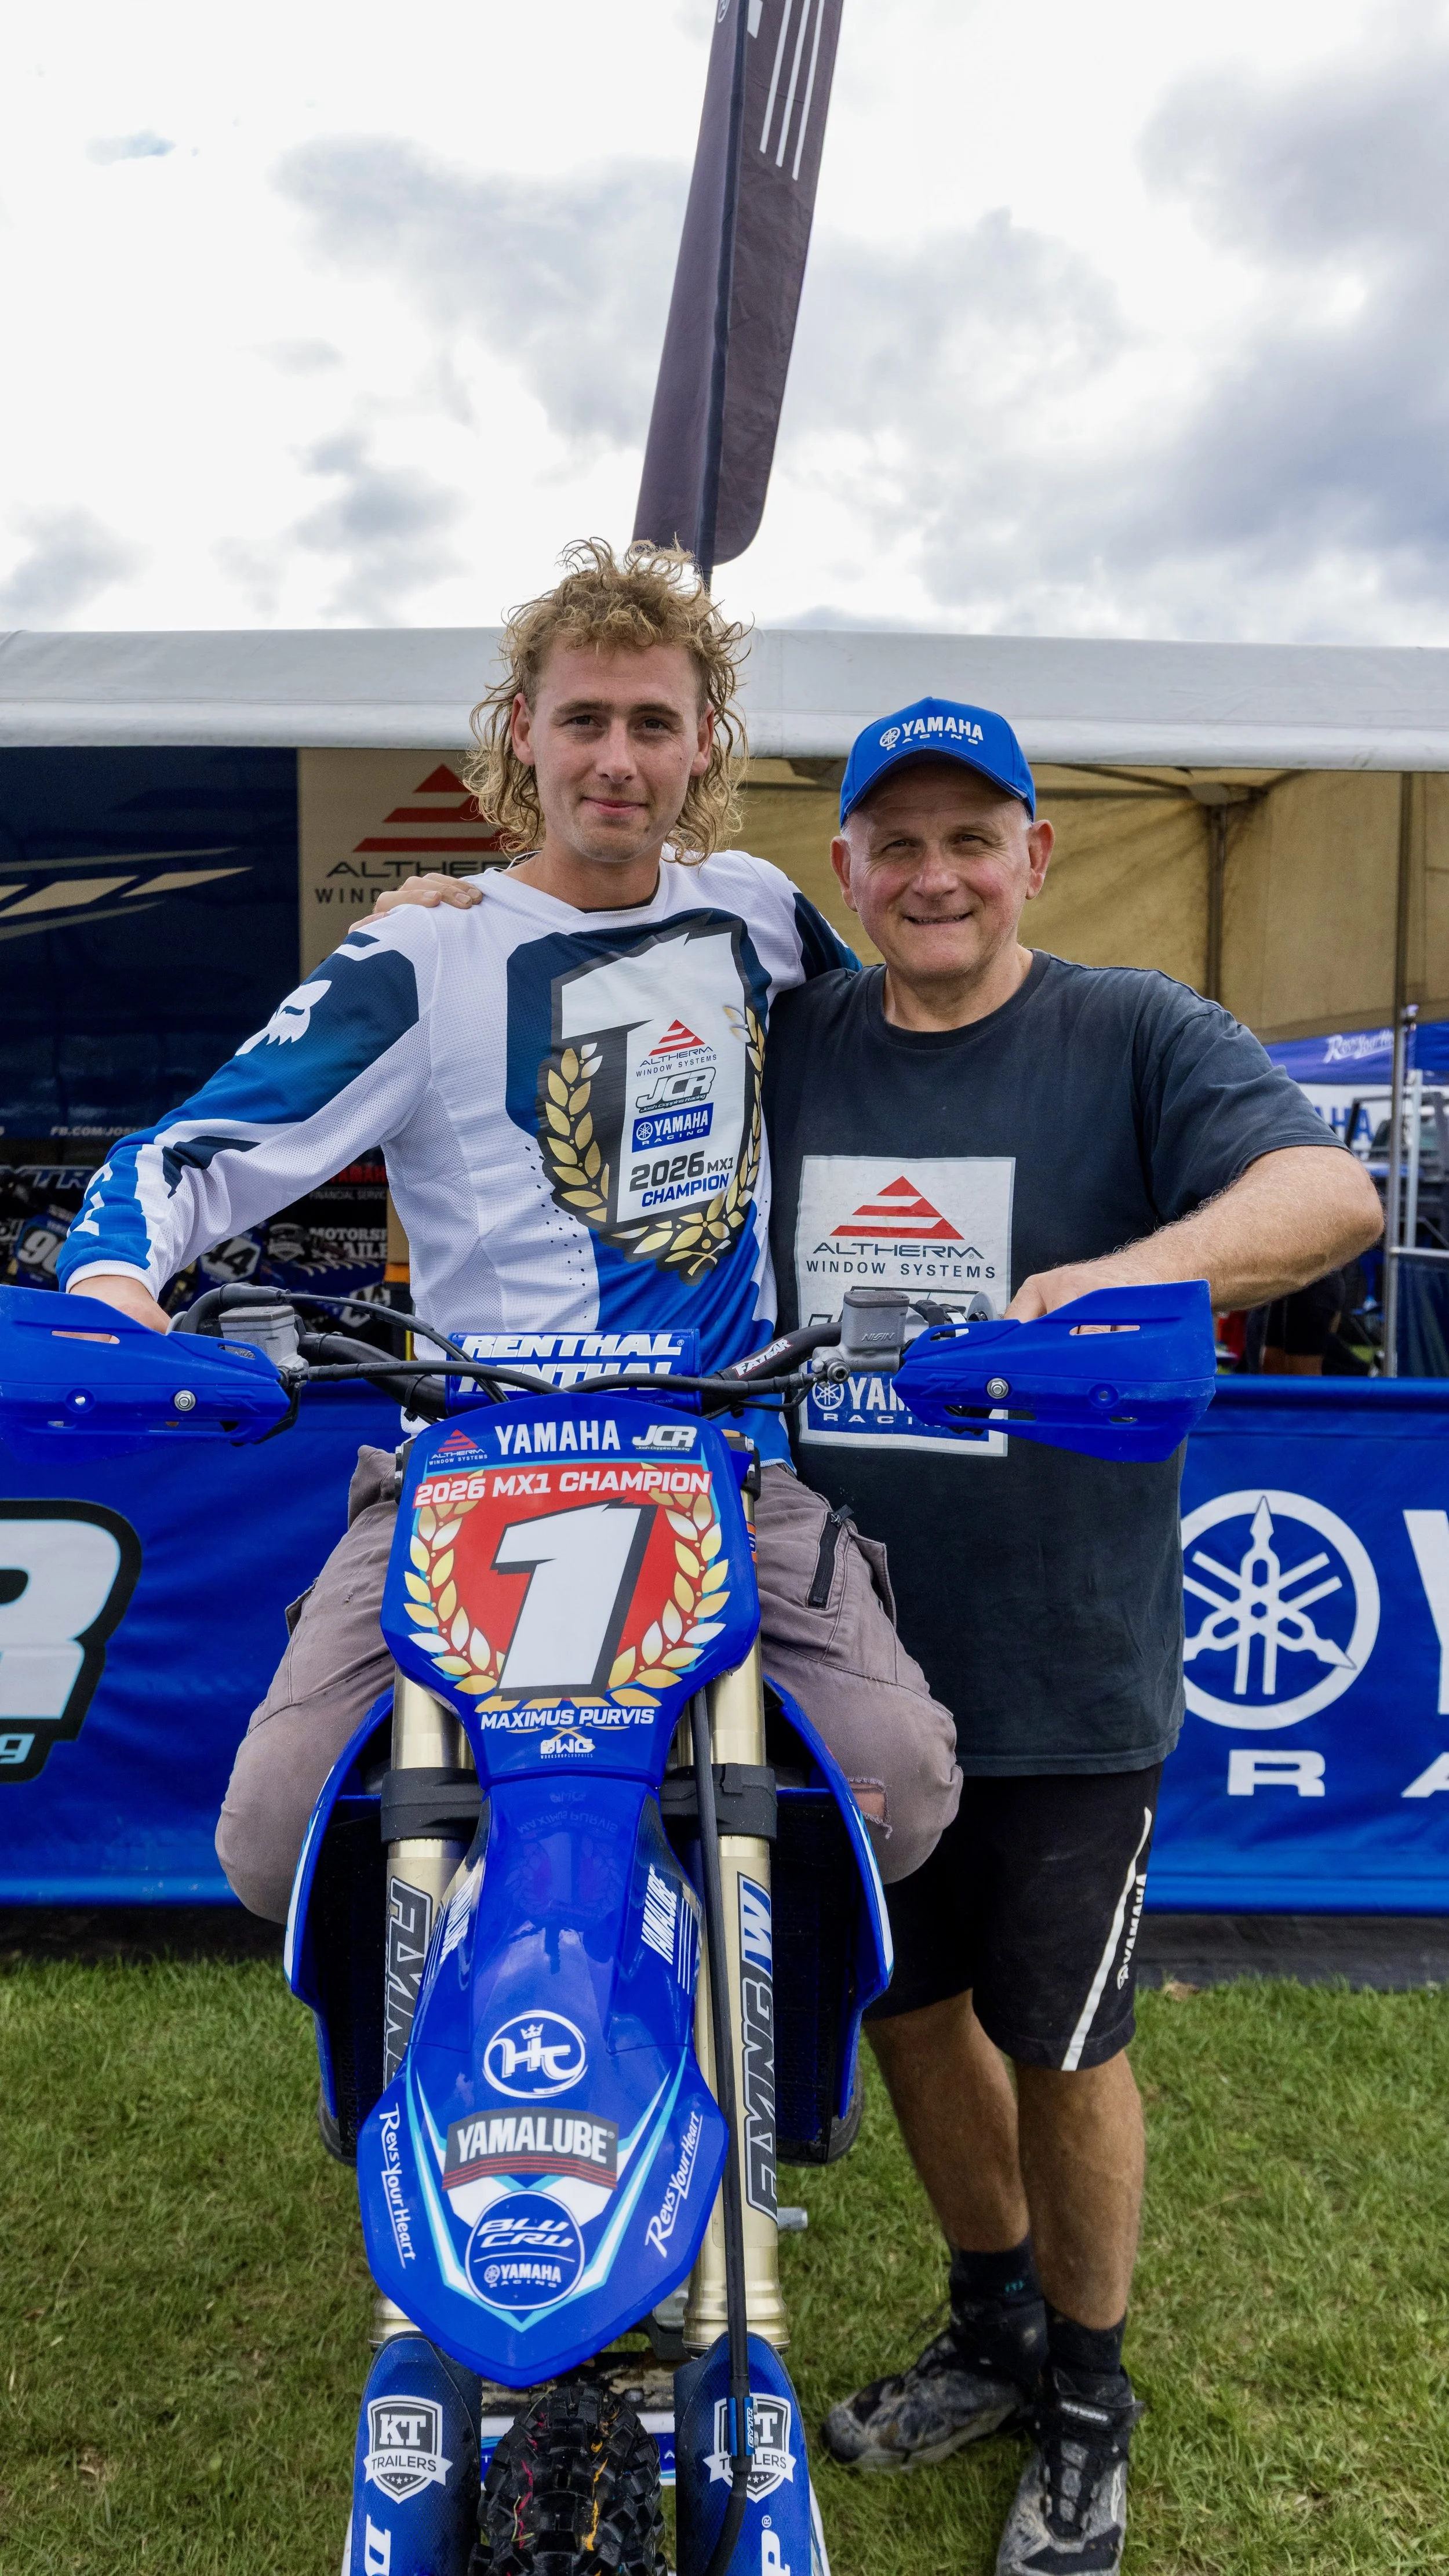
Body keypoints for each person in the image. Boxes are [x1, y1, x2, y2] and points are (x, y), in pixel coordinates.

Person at [57, 542, 960, 1921]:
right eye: (582, 718)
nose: (616, 756)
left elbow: (908, 1056)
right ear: (520, 732)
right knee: (273, 1833)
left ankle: (756, 2023)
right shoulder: (424, 953)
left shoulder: (760, 914)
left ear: (701, 741)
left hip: (715, 1452)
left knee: (900, 1784)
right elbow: (187, 1150)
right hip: (472, 1462)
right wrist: (117, 1283)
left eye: (652, 721)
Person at [758, 701, 1384, 2576]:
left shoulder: (1132, 1032)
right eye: (897, 843)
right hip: (849, 1662)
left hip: (1062, 1663)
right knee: (914, 2011)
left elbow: (1330, 1194)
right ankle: (992, 2319)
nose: (935, 874)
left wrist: (1120, 1275)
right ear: (847, 873)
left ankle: (1091, 2393)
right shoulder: (794, 1045)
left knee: (1064, 2035)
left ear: (1034, 855)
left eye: (974, 837)